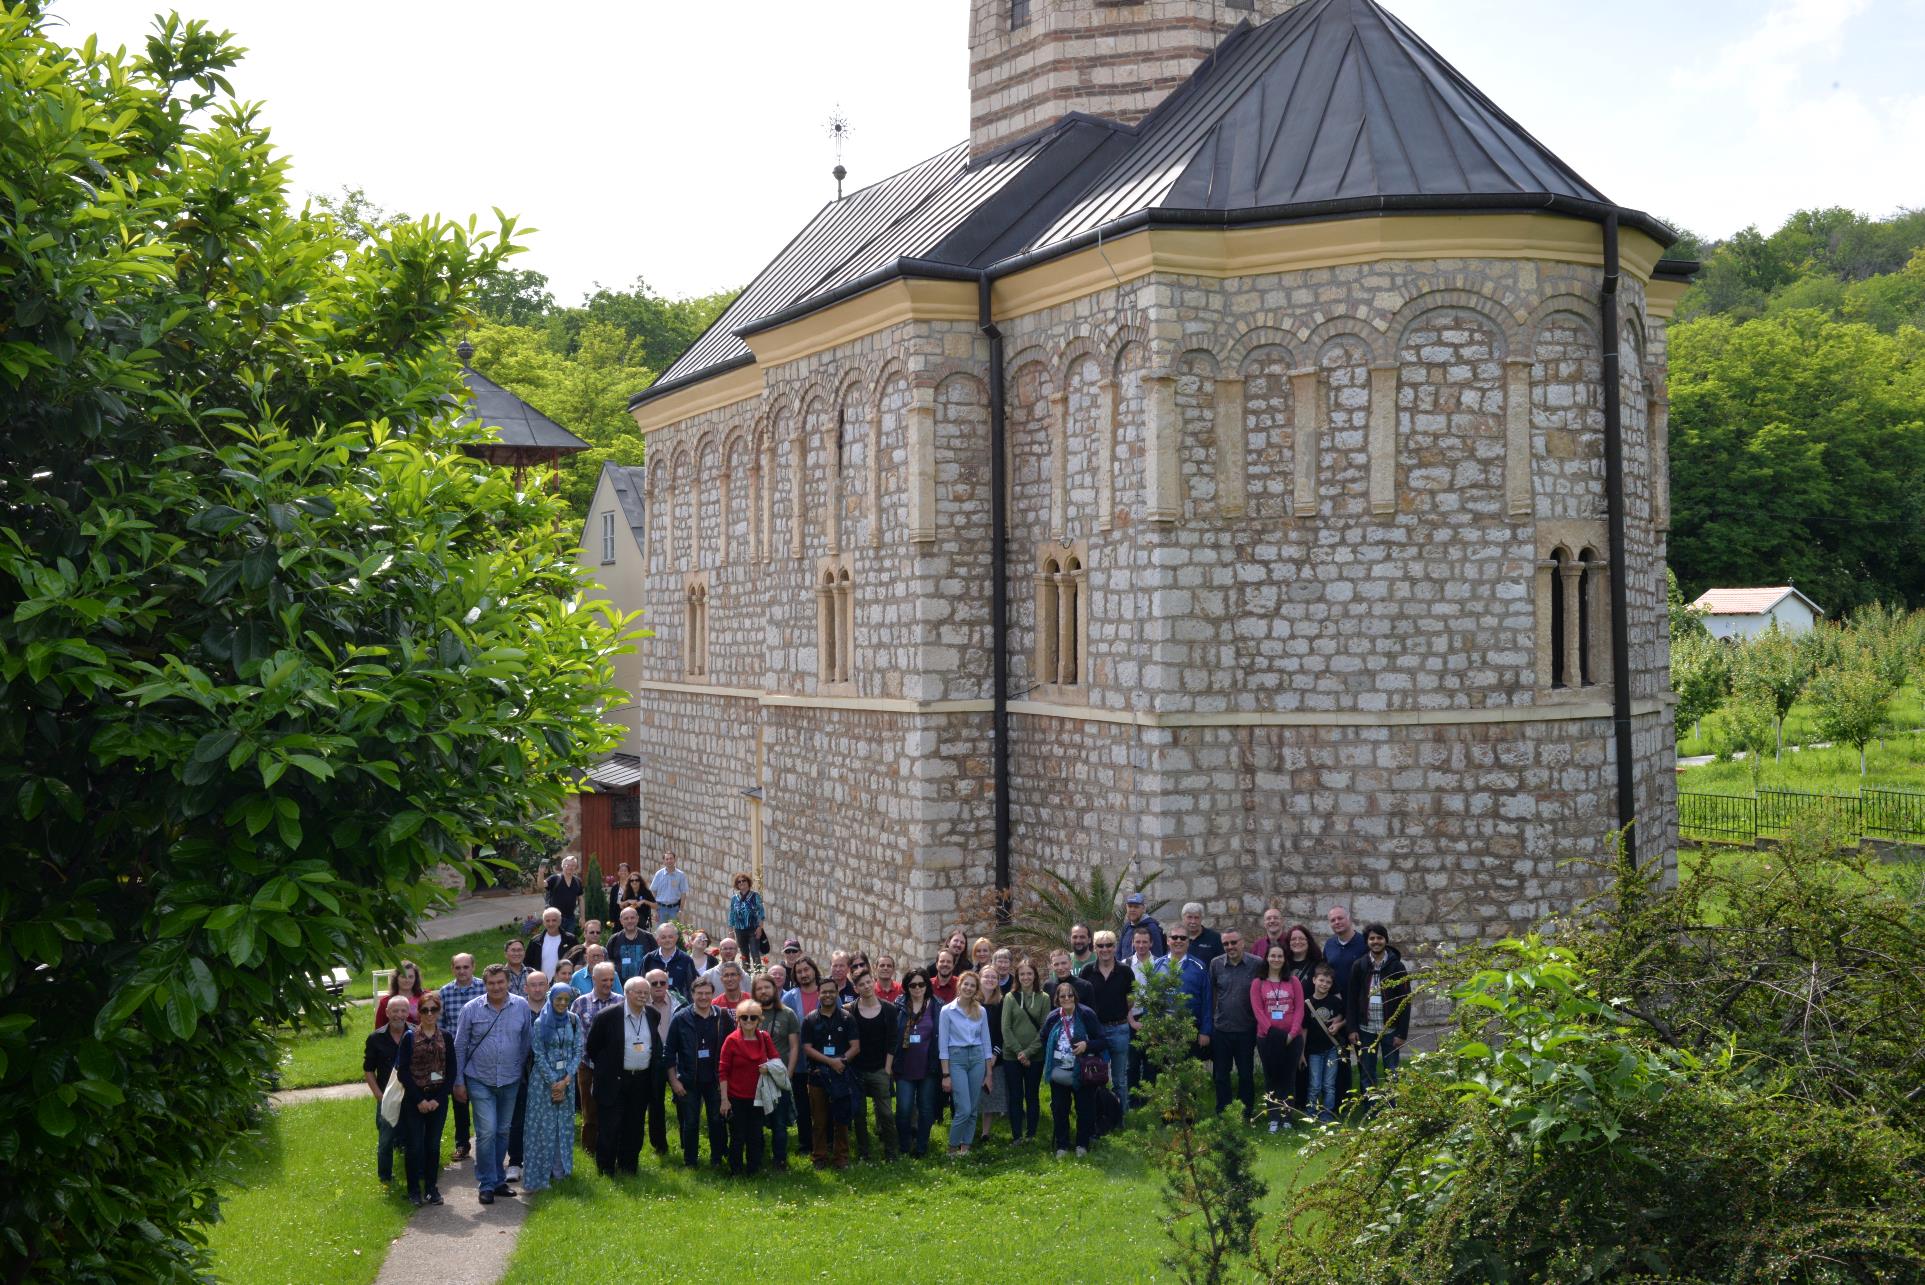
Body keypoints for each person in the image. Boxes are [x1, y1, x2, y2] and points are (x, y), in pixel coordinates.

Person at [454, 963, 533, 1205]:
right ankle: (486, 1183)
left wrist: (518, 1069)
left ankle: (498, 1179)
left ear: (508, 982)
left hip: (510, 1079)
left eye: (500, 982)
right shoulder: (471, 1009)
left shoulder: (521, 1005)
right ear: (484, 984)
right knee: (486, 1132)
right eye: (491, 983)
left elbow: (526, 1040)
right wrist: (458, 1081)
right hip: (479, 1078)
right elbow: (460, 1046)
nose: (496, 987)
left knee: (502, 1131)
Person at [584, 976, 663, 1176]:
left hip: (641, 1081)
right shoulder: (607, 1016)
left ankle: (629, 1167)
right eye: (638, 992)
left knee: (634, 1126)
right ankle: (606, 1168)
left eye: (646, 992)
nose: (643, 996)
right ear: (627, 994)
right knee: (610, 1127)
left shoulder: (652, 1015)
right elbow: (592, 1047)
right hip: (613, 1080)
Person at [394, 991, 457, 1206]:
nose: (429, 1014)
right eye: (425, 1010)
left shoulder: (446, 1037)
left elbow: (451, 1072)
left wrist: (438, 1099)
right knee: (414, 1146)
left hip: (438, 1099)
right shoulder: (410, 1037)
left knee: (432, 1145)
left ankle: (431, 1188)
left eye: (434, 1009)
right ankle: (414, 1191)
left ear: (439, 1011)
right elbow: (403, 1072)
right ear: (418, 1012)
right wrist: (419, 1099)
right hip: (415, 1099)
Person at [521, 983, 583, 1192]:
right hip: (543, 1084)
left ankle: (561, 1171)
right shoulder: (540, 1023)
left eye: (566, 999)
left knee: (563, 1127)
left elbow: (578, 1050)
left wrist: (565, 1080)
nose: (563, 1003)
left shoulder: (574, 1021)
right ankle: (540, 1173)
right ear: (551, 999)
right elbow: (538, 1054)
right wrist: (553, 1083)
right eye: (559, 999)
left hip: (567, 1081)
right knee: (542, 1128)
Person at [666, 976, 729, 1167]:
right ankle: (690, 1161)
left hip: (715, 1080)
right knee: (690, 1122)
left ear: (713, 994)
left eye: (707, 993)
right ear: (692, 994)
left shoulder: (722, 1016)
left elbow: (731, 1048)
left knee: (717, 1121)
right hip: (688, 1080)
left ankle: (717, 1159)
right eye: (699, 993)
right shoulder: (680, 1018)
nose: (703, 997)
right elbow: (669, 1052)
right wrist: (674, 1081)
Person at [1346, 923, 1410, 1100]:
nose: (1376, 941)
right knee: (1367, 1072)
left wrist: (1401, 1033)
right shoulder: (1359, 966)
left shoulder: (1397, 967)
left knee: (1392, 1072)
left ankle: (1392, 1110)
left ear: (1386, 940)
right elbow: (1351, 999)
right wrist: (1352, 1029)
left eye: (1379, 938)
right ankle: (1371, 1109)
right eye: (1372, 938)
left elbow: (1406, 1001)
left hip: (1390, 1029)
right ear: (1367, 942)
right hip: (1366, 1029)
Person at [802, 975, 860, 1169]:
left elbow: (855, 1047)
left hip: (841, 1075)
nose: (827, 995)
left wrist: (841, 1062)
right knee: (819, 1120)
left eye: (831, 992)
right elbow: (807, 1048)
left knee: (841, 1119)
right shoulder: (809, 1019)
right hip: (817, 1075)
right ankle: (819, 1157)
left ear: (837, 994)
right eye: (824, 991)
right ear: (818, 994)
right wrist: (830, 1062)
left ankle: (841, 1158)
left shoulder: (847, 1017)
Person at [716, 998, 778, 1176]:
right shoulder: (731, 1040)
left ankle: (754, 1169)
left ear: (759, 1020)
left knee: (756, 1135)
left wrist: (769, 1067)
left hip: (759, 1096)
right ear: (738, 1019)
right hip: (736, 1097)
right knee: (737, 1137)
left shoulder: (764, 1038)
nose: (748, 1021)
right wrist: (724, 1100)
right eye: (744, 1017)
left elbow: (776, 1060)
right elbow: (723, 1071)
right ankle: (735, 1170)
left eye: (753, 1018)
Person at [1041, 979, 1102, 1157]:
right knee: (1060, 1109)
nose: (1066, 998)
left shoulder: (1086, 1014)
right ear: (1057, 999)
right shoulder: (1053, 1017)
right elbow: (1043, 1037)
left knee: (1085, 1109)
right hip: (1059, 1071)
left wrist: (1086, 1045)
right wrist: (1052, 1052)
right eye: (1062, 996)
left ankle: (1082, 1144)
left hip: (1082, 1071)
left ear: (1075, 997)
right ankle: (1062, 1145)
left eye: (1070, 995)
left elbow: (1102, 1040)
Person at [938, 970, 995, 1157]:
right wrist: (945, 1074)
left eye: (973, 985)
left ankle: (966, 1148)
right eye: (966, 984)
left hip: (977, 1057)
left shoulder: (981, 1011)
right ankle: (952, 1149)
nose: (969, 988)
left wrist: (989, 1073)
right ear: (959, 985)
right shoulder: (947, 1011)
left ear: (976, 989)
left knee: (973, 1108)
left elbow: (987, 1043)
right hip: (957, 1059)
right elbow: (943, 1045)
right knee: (963, 1107)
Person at [1252, 943, 1306, 1132]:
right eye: (1272, 956)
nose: (1276, 959)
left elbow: (1299, 1009)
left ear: (1284, 959)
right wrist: (1274, 1034)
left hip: (1293, 1038)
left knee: (1288, 1078)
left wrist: (1292, 1033)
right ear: (1267, 958)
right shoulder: (1258, 983)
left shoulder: (1293, 981)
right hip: (1267, 1038)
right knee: (1271, 1078)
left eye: (1280, 956)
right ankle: (1273, 1117)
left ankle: (1287, 1117)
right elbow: (1258, 1011)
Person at [1208, 929, 1261, 1120]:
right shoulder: (1216, 964)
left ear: (1242, 942)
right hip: (1221, 1029)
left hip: (1246, 1029)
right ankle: (1223, 1111)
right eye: (1226, 944)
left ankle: (1246, 1112)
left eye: (1233, 942)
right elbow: (1212, 994)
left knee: (1246, 1074)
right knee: (1221, 1075)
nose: (1230, 947)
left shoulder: (1257, 964)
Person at [1078, 932, 1134, 1113]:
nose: (1105, 949)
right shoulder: (1087, 971)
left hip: (1119, 1028)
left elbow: (1130, 999)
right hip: (1096, 1032)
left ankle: (1122, 1118)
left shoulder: (1125, 971)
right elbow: (1082, 1001)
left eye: (1109, 945)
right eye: (1100, 946)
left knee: (1120, 1079)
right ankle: (1100, 1116)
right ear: (1094, 948)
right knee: (1095, 1076)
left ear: (1115, 947)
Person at [570, 962, 623, 1153]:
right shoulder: (580, 1003)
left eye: (611, 979)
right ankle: (590, 1151)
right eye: (604, 980)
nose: (608, 984)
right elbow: (573, 1033)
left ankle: (613, 1147)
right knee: (589, 1111)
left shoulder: (621, 1001)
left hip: (614, 1067)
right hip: (587, 1065)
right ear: (593, 979)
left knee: (614, 1110)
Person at [847, 969, 899, 1161]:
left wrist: (887, 1069)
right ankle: (864, 1153)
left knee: (885, 1113)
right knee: (859, 1115)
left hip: (880, 1069)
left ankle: (891, 1152)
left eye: (869, 982)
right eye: (861, 984)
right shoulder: (850, 1010)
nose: (866, 986)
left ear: (874, 982)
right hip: (858, 1070)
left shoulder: (889, 1009)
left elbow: (892, 1041)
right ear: (856, 988)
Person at [437, 954, 484, 1161]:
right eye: (458, 967)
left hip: (483, 1054)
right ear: (452, 969)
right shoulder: (445, 992)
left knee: (483, 1100)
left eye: (466, 967)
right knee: (460, 1099)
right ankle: (462, 1144)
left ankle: (486, 1143)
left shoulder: (485, 988)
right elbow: (440, 1024)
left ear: (473, 967)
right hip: (456, 1055)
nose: (462, 971)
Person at [892, 967, 941, 1158]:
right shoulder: (899, 1006)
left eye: (921, 984)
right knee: (903, 1109)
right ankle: (904, 1145)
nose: (917, 988)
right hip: (904, 1067)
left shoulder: (937, 1006)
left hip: (928, 1067)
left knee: (926, 1108)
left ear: (927, 985)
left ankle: (921, 1146)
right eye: (913, 985)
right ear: (906, 987)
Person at [503, 969, 547, 1185]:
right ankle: (515, 1161)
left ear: (547, 986)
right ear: (525, 988)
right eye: (533, 985)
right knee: (517, 1118)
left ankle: (540, 1160)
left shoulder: (554, 1008)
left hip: (548, 1074)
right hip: (519, 1072)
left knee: (544, 1119)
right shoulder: (517, 1009)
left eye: (541, 984)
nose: (537, 989)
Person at [752, 973, 799, 1169]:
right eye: (759, 988)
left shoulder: (787, 1014)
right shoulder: (749, 1014)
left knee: (779, 1123)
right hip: (755, 1078)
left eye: (767, 987)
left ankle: (780, 1160)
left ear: (774, 989)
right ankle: (758, 1157)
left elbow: (794, 1046)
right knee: (756, 1122)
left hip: (779, 1078)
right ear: (754, 992)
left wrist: (788, 1074)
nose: (763, 991)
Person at [1001, 956, 1049, 1145]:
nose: (1026, 977)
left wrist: (1028, 1053)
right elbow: (1005, 1028)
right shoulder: (1010, 998)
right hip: (1011, 1056)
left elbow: (1044, 1028)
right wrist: (1019, 1052)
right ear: (1017, 976)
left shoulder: (1044, 998)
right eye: (1022, 974)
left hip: (1035, 1056)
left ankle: (1031, 1133)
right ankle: (1016, 1135)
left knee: (1032, 1095)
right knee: (1015, 1096)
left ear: (1035, 975)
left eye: (1029, 973)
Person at [364, 998, 409, 1184]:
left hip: (411, 1097)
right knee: (386, 1141)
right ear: (387, 1013)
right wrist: (379, 1096)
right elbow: (368, 1070)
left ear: (408, 1012)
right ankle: (385, 1179)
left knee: (413, 1139)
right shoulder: (375, 1038)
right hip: (387, 1097)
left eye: (403, 1011)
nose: (399, 1015)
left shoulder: (416, 1033)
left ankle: (415, 1175)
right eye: (395, 1011)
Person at [1157, 925, 1213, 1060]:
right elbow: (1150, 999)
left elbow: (1207, 1000)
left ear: (1188, 942)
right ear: (1168, 941)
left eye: (1182, 938)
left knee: (1189, 1074)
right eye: (1174, 937)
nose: (1178, 941)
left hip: (1190, 1029)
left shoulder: (1199, 967)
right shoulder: (1156, 965)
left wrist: (1205, 1031)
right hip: (1163, 1030)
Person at [1302, 962, 1345, 1124]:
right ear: (1314, 980)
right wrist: (1301, 1053)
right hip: (1313, 1051)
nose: (1324, 984)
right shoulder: (1307, 1004)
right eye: (1321, 980)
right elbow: (1304, 1029)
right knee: (1314, 1085)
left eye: (1328, 982)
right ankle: (1311, 1112)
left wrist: (1339, 1022)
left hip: (1331, 1049)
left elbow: (1343, 1016)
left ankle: (1327, 1114)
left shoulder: (1335, 1001)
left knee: (1329, 1085)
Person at [642, 971, 676, 1156]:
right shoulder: (640, 1004)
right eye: (653, 983)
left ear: (667, 984)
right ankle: (659, 1145)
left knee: (684, 1101)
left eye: (662, 982)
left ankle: (689, 1145)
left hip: (676, 1058)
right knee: (655, 1103)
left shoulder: (677, 1004)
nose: (658, 986)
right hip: (651, 1060)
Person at [976, 969, 1008, 1142]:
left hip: (996, 1054)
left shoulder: (1002, 1003)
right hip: (973, 1053)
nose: (990, 979)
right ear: (979, 979)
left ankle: (985, 1133)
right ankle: (970, 1127)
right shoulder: (972, 1002)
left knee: (990, 1094)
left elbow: (1002, 1031)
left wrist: (995, 1054)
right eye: (986, 976)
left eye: (993, 977)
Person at [643, 922, 698, 1001]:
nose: (667, 940)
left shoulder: (686, 960)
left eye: (670, 937)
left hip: (680, 1007)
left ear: (676, 938)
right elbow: (642, 983)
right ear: (657, 940)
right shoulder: (649, 959)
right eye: (663, 937)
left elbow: (692, 986)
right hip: (653, 1006)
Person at [1323, 905, 1368, 999]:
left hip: (1359, 1001)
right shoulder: (1329, 944)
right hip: (1335, 1000)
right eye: (1333, 920)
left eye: (1340, 918)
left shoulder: (1365, 943)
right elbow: (1325, 970)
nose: (1337, 922)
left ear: (1349, 919)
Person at [727, 873, 767, 965]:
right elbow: (732, 914)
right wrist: (730, 931)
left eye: (743, 880)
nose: (741, 883)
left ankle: (758, 975)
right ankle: (747, 974)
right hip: (739, 930)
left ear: (748, 882)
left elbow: (761, 913)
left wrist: (760, 928)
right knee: (744, 954)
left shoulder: (755, 896)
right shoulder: (735, 898)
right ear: (737, 884)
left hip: (753, 929)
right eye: (739, 881)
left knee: (754, 953)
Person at [608, 905, 651, 986]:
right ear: (621, 921)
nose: (629, 921)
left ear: (637, 919)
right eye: (626, 918)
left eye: (632, 918)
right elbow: (608, 962)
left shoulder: (648, 938)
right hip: (620, 986)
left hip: (644, 986)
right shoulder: (614, 939)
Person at [527, 907, 575, 980]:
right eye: (547, 921)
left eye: (554, 920)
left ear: (559, 921)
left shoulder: (570, 940)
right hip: (540, 985)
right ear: (543, 922)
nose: (551, 924)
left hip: (564, 983)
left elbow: (576, 961)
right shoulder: (535, 941)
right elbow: (528, 964)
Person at [544, 855, 586, 935]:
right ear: (563, 866)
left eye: (573, 865)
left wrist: (582, 917)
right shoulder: (555, 879)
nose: (570, 867)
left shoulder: (577, 881)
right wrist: (541, 872)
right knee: (555, 941)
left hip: (570, 919)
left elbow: (581, 899)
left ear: (575, 867)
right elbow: (541, 885)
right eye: (568, 865)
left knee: (568, 943)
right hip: (554, 919)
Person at [376, 960, 425, 1027]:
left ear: (416, 979)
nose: (407, 980)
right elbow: (379, 1029)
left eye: (411, 977)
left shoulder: (425, 997)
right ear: (396, 978)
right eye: (403, 976)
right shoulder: (385, 1002)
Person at [1119, 892, 1166, 957]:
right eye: (1130, 906)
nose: (1132, 909)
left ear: (1143, 909)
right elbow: (1119, 953)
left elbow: (1157, 956)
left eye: (1136, 907)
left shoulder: (1152, 928)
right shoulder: (1126, 927)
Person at [650, 850, 690, 924]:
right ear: (664, 861)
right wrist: (655, 910)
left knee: (675, 932)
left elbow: (683, 894)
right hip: (660, 909)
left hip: (674, 909)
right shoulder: (658, 874)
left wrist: (681, 910)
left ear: (675, 860)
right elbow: (653, 892)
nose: (669, 861)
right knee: (661, 933)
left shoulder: (681, 875)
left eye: (671, 858)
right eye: (667, 859)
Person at [1180, 902, 1224, 968]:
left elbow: (1222, 963)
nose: (1193, 921)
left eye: (1196, 918)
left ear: (1201, 918)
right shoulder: (1176, 939)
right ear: (1183, 918)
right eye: (1189, 917)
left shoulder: (1215, 938)